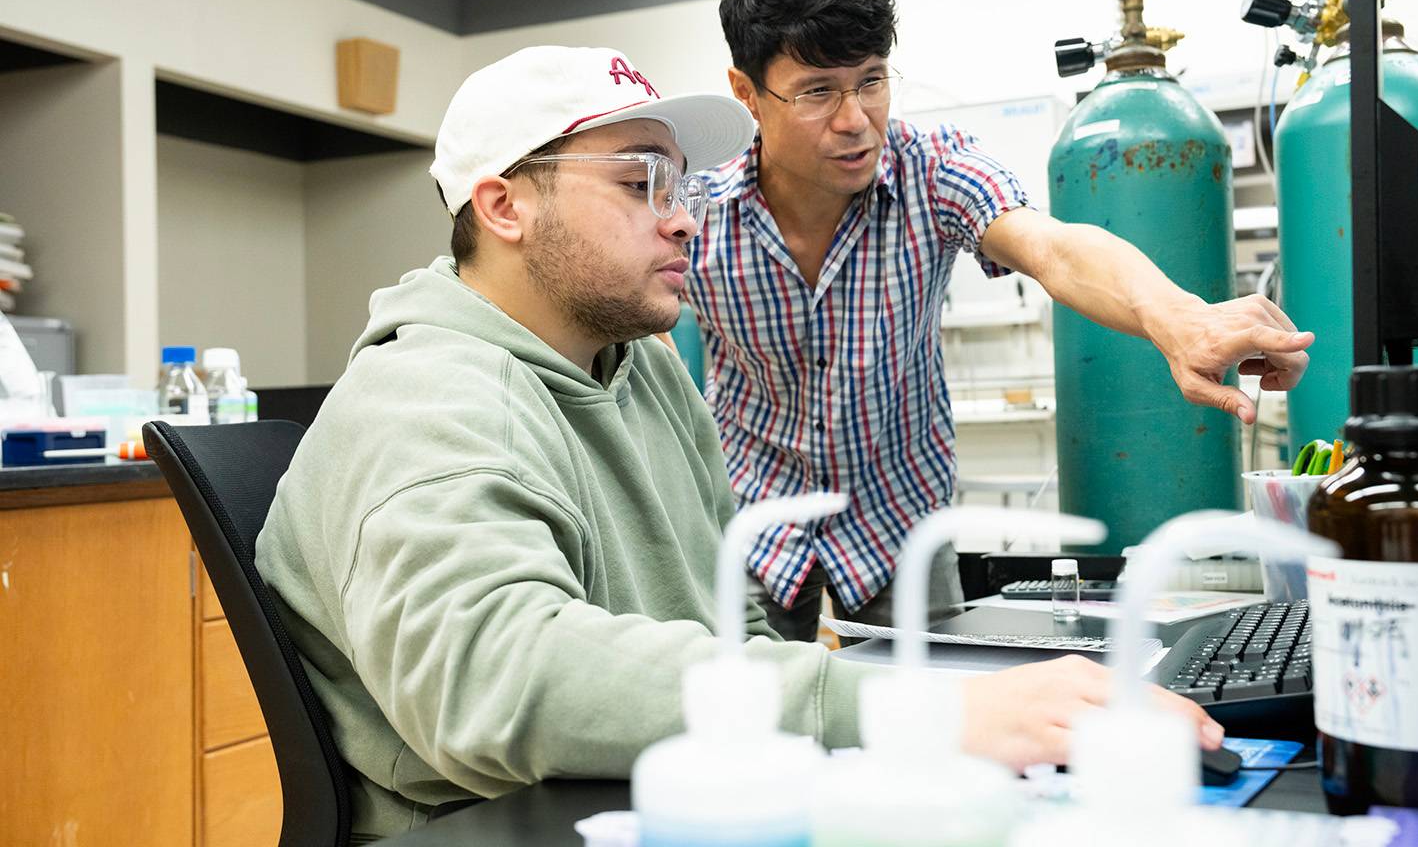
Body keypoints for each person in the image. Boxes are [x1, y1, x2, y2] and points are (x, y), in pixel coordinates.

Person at [254, 45, 1224, 840]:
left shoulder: (639, 370)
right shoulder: (429, 396)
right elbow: (496, 680)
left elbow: (739, 628)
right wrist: (889, 711)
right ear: (505, 206)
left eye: (679, 180)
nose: (681, 215)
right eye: (640, 181)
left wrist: (918, 724)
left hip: (663, 801)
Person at [687, 0, 1314, 640]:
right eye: (817, 92)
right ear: (747, 93)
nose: (856, 119)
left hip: (899, 520)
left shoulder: (931, 169)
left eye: (871, 81)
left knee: (933, 712)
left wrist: (1179, 318)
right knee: (744, 715)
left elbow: (1052, 247)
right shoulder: (698, 213)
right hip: (753, 517)